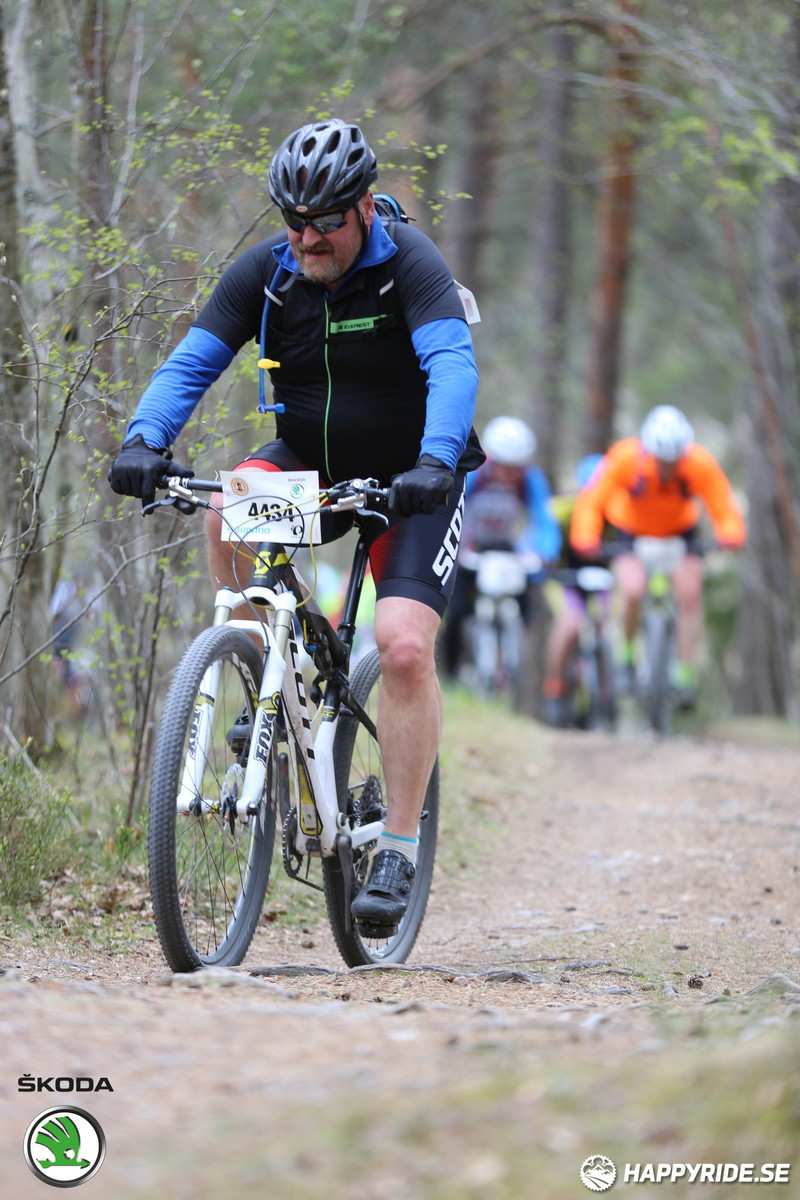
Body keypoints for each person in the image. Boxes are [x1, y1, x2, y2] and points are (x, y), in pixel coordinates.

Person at [108, 117, 483, 935]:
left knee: (405, 644)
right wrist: (145, 438)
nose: (308, 238)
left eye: (325, 222)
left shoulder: (410, 265)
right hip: (308, 467)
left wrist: (434, 459)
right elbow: (193, 360)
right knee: (226, 499)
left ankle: (398, 848)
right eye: (294, 221)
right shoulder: (267, 274)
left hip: (410, 481)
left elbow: (453, 364)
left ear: (364, 210)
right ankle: (257, 660)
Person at [569, 405, 746, 705]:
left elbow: (722, 502)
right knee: (633, 590)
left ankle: (683, 675)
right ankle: (626, 656)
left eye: (673, 461)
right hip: (632, 533)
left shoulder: (699, 464)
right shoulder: (625, 458)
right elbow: (592, 500)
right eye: (662, 461)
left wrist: (730, 533)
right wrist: (586, 537)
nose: (668, 467)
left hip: (681, 534)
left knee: (690, 594)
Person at [440, 415, 561, 680]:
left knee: (531, 604)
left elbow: (544, 520)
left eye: (516, 468)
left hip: (507, 550)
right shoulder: (474, 475)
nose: (509, 475)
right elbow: (450, 510)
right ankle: (451, 673)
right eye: (503, 467)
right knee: (457, 609)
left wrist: (545, 552)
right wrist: (454, 548)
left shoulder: (531, 481)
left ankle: (515, 658)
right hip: (469, 548)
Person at [541, 453, 608, 726]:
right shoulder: (563, 510)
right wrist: (544, 553)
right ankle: (555, 685)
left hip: (604, 582)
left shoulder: (618, 514)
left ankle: (607, 692)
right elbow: (544, 533)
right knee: (569, 625)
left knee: (608, 626)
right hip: (565, 579)